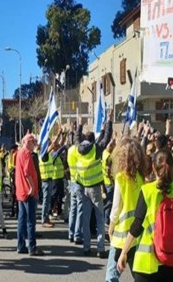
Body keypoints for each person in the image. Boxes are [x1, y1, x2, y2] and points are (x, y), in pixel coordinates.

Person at [117, 149, 173, 282]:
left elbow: (137, 226)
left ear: (153, 167)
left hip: (147, 263)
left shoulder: (147, 191)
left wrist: (123, 252)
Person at [105, 137, 145, 282]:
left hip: (121, 237)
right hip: (137, 235)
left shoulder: (121, 178)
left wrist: (111, 225)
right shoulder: (141, 177)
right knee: (139, 275)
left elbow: (116, 207)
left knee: (112, 276)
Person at [75, 110, 113, 257]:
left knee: (85, 218)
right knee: (99, 218)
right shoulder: (96, 150)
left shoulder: (78, 149)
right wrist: (108, 123)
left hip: (83, 187)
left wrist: (79, 124)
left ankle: (86, 247)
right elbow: (107, 138)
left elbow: (77, 138)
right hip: (95, 189)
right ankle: (101, 248)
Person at [15, 133, 44, 256]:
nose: (35, 144)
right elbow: (27, 173)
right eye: (33, 142)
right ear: (28, 142)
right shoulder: (26, 154)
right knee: (31, 221)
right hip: (28, 192)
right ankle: (32, 247)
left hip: (21, 192)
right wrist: (32, 187)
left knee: (22, 220)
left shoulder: (20, 153)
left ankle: (21, 245)